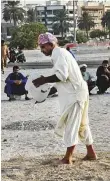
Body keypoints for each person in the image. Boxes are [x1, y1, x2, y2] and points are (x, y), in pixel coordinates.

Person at [32, 32, 97, 164]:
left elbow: (62, 76)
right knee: (81, 123)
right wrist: (44, 94)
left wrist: (43, 80)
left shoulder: (58, 53)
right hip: (78, 92)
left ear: (51, 44)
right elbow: (62, 80)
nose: (42, 50)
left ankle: (68, 157)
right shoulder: (60, 54)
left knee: (71, 124)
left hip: (75, 95)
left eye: (43, 47)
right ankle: (91, 153)